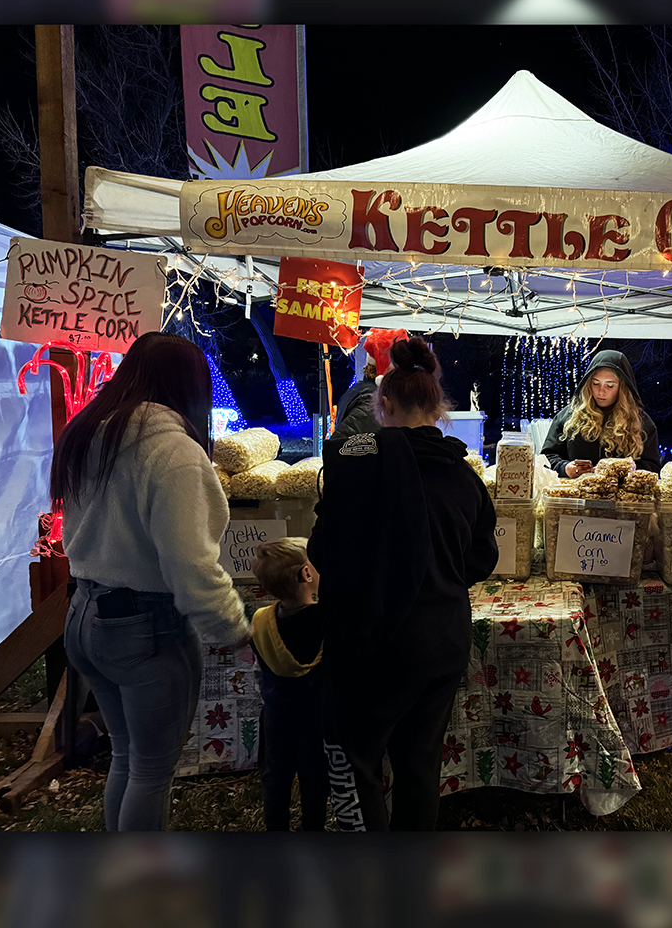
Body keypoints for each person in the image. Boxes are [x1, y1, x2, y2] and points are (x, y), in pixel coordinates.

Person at [50, 331, 250, 831]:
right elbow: (191, 565)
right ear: (190, 388)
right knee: (152, 770)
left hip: (83, 613)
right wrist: (234, 629)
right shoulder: (172, 451)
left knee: (127, 756)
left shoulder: (91, 432)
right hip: (144, 626)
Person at [308, 335, 498, 831]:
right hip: (442, 643)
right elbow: (482, 560)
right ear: (438, 409)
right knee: (420, 766)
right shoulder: (465, 476)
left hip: (375, 644)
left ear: (383, 404)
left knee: (361, 764)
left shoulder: (352, 468)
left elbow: (319, 553)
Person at [250, 537, 329, 832]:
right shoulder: (327, 620)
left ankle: (276, 828)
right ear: (307, 575)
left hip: (276, 712)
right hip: (314, 716)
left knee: (275, 774)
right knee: (314, 776)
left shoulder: (260, 620)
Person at [541, 350, 661, 478]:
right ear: (588, 384)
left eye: (609, 386)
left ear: (622, 388)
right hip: (576, 494)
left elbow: (653, 467)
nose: (601, 392)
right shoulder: (569, 416)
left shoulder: (640, 422)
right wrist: (565, 468)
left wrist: (625, 471)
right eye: (596, 383)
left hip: (621, 496)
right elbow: (546, 458)